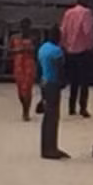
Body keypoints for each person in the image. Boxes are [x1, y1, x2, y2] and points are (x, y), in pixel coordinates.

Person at [60, 0, 93, 118]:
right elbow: (87, 32)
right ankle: (83, 108)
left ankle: (71, 107)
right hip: (83, 50)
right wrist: (91, 47)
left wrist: (64, 46)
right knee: (84, 81)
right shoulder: (87, 13)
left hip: (70, 50)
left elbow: (63, 31)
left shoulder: (68, 13)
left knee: (73, 80)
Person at [38, 26, 68, 160]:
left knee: (47, 117)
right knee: (53, 117)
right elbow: (61, 68)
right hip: (53, 84)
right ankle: (51, 149)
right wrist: (63, 82)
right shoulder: (57, 51)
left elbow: (39, 67)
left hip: (44, 81)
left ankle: (46, 147)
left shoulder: (43, 48)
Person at [10, 18, 37, 121]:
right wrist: (17, 51)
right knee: (20, 91)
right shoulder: (14, 37)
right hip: (18, 65)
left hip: (29, 64)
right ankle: (24, 106)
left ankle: (26, 112)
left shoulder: (34, 38)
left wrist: (29, 50)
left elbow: (37, 51)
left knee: (27, 89)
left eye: (27, 27)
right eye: (23, 27)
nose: (25, 29)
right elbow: (9, 50)